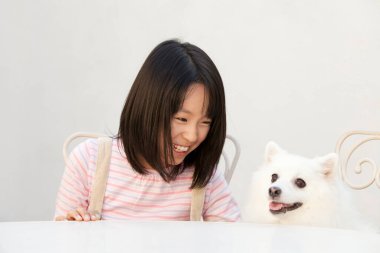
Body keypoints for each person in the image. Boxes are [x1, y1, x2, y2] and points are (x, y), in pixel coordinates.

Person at [55, 39, 240, 222]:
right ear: (148, 108)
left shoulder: (204, 175)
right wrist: (73, 230)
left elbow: (232, 240)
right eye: (181, 119)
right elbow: (59, 243)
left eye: (205, 122)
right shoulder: (90, 161)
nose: (192, 135)